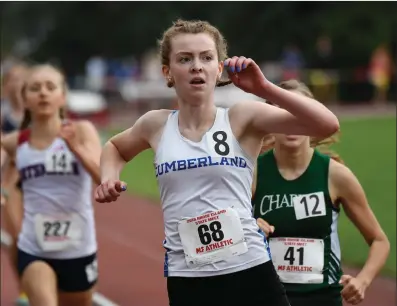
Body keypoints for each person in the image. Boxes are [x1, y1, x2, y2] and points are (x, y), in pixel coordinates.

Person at [95, 19, 339, 306]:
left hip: (249, 271)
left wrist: (263, 88)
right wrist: (108, 177)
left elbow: (326, 125)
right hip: (187, 277)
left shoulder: (241, 117)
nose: (196, 66)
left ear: (218, 68)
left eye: (206, 57)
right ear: (168, 72)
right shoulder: (155, 125)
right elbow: (114, 148)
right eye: (185, 59)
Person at [252, 80, 390, 306]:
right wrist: (248, 227)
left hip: (323, 300)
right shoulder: (253, 173)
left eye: (300, 112)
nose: (292, 121)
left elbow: (379, 240)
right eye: (283, 113)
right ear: (269, 121)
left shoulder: (335, 176)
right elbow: (228, 238)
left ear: (314, 119)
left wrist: (363, 281)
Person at [1, 63, 102, 306]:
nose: (43, 93)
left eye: (50, 87)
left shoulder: (82, 131)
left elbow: (103, 176)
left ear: (63, 96)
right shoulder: (16, 142)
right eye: (35, 88)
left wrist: (75, 147)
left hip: (78, 248)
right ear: (25, 99)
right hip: (34, 248)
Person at [1, 62, 30, 306]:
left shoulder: (40, 109)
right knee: (18, 237)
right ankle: (23, 288)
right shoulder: (4, 115)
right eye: (13, 78)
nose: (17, 83)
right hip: (12, 184)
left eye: (22, 78)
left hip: (39, 182)